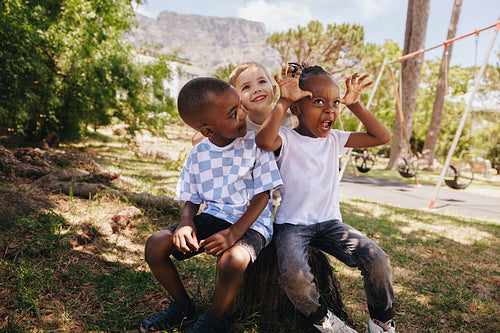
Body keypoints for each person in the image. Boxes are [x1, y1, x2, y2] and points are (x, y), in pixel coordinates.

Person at [255, 63, 395, 333]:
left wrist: (354, 105)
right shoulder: (285, 137)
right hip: (292, 225)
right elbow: (263, 141)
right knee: (294, 276)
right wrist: (284, 101)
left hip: (330, 224)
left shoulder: (335, 139)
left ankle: (382, 321)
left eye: (335, 103)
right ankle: (323, 320)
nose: (329, 109)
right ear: (297, 107)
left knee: (377, 259)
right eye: (318, 101)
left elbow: (381, 137)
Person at [140, 77, 283, 333]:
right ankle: (182, 305)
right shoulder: (198, 154)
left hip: (252, 222)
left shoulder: (256, 144)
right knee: (156, 244)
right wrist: (186, 223)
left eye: (239, 106)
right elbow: (191, 196)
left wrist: (235, 233)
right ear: (208, 131)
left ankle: (214, 318)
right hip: (215, 216)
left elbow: (263, 196)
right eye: (233, 113)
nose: (242, 115)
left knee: (232, 260)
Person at [191, 62, 298, 146]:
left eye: (262, 82)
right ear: (236, 99)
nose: (257, 89)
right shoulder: (239, 125)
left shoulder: (291, 115)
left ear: (274, 91)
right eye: (246, 87)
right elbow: (196, 141)